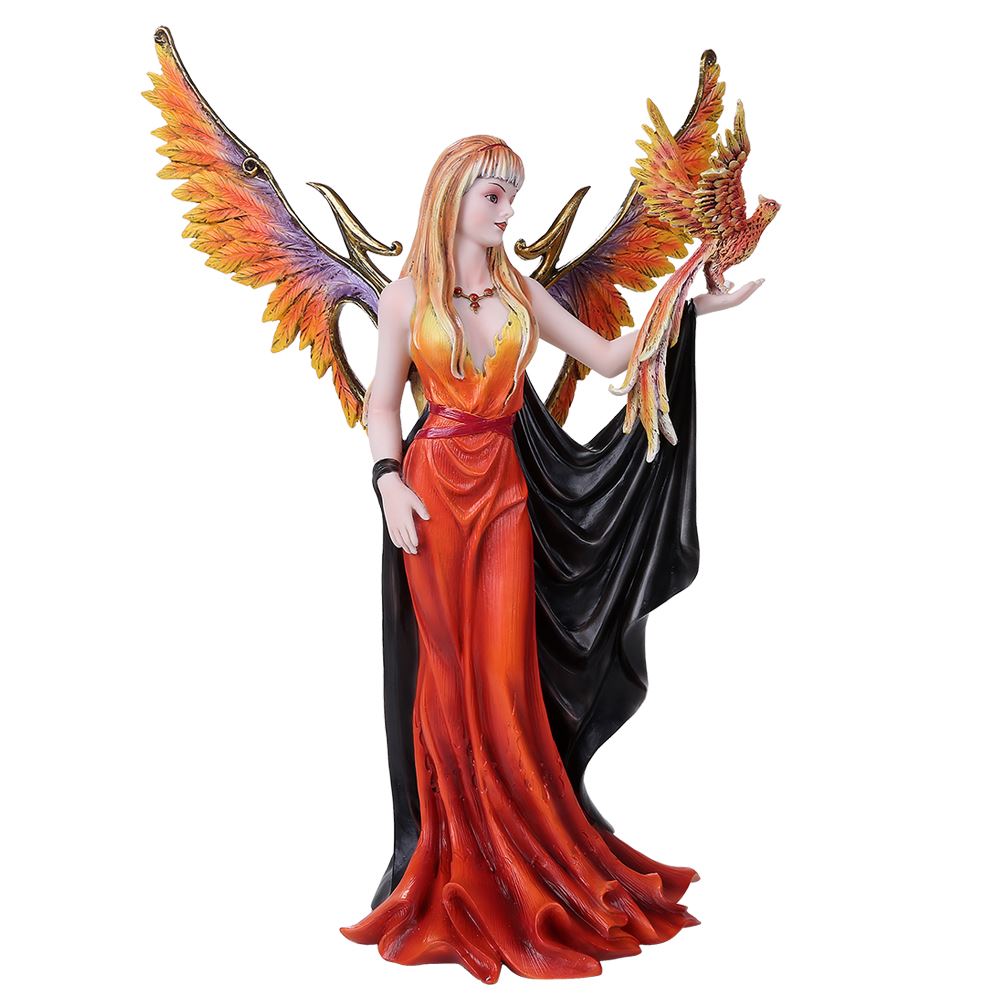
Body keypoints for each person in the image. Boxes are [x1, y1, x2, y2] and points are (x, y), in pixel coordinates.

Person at [345, 135, 761, 982]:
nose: (508, 211)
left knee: (504, 674)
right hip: (430, 497)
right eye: (494, 195)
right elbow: (382, 403)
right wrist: (387, 482)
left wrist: (687, 305)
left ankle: (525, 850)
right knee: (445, 678)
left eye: (513, 195)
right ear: (452, 197)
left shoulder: (518, 292)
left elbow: (607, 358)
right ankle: (454, 853)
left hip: (503, 493)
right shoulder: (405, 298)